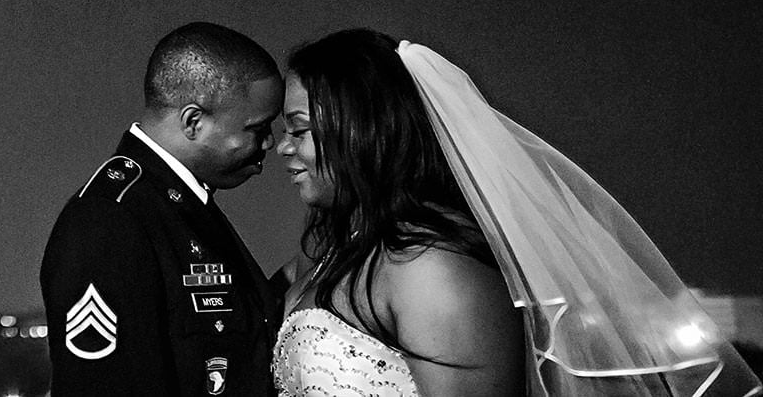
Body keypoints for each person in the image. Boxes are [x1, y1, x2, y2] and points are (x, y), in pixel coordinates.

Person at [273, 29, 761, 397]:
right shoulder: (338, 250)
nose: (281, 148)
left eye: (299, 129)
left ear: (366, 129)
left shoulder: (428, 268)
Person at [40, 22, 283, 397]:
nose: (270, 143)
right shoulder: (109, 222)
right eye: (258, 128)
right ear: (193, 122)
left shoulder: (178, 208)